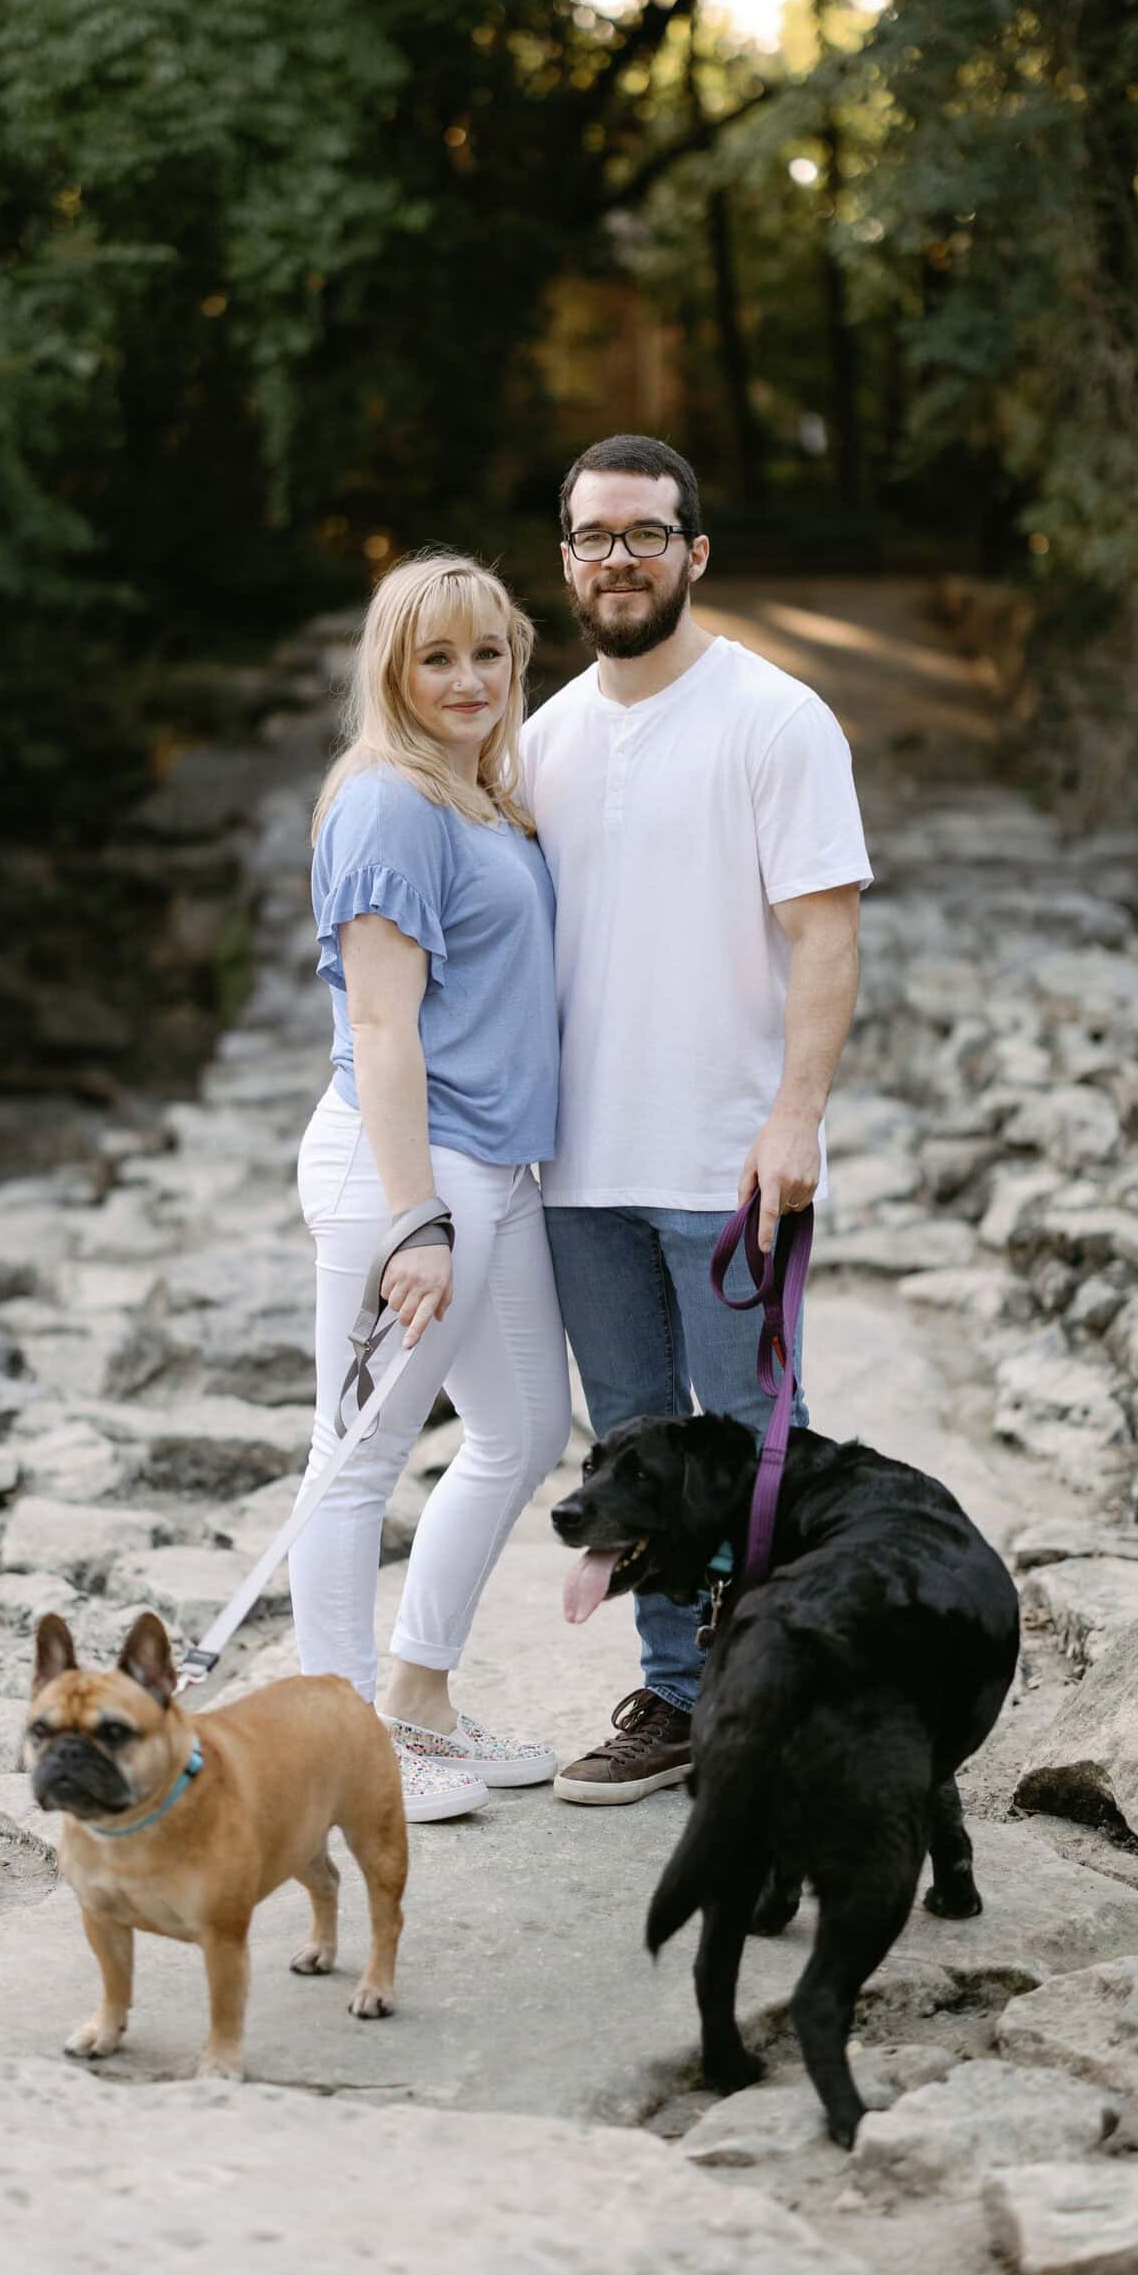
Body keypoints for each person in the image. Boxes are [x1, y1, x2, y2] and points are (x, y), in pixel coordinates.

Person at [520, 433, 871, 1806]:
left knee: (750, 1439)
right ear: (565, 561)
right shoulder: (539, 739)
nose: (617, 560)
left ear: (693, 553)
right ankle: (676, 1696)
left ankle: (780, 1692)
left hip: (731, 1164)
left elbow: (825, 939)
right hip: (578, 1170)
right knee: (626, 1449)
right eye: (593, 538)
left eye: (643, 535)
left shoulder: (773, 721)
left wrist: (794, 1120)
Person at [292, 550, 573, 1821]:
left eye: (489, 653)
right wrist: (417, 1219)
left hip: (491, 1167)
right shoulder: (390, 804)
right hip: (407, 1169)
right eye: (437, 657)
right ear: (394, 672)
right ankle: (342, 1748)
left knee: (520, 1433)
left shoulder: (479, 793)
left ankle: (415, 1698)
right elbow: (384, 1029)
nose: (470, 679)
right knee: (354, 1460)